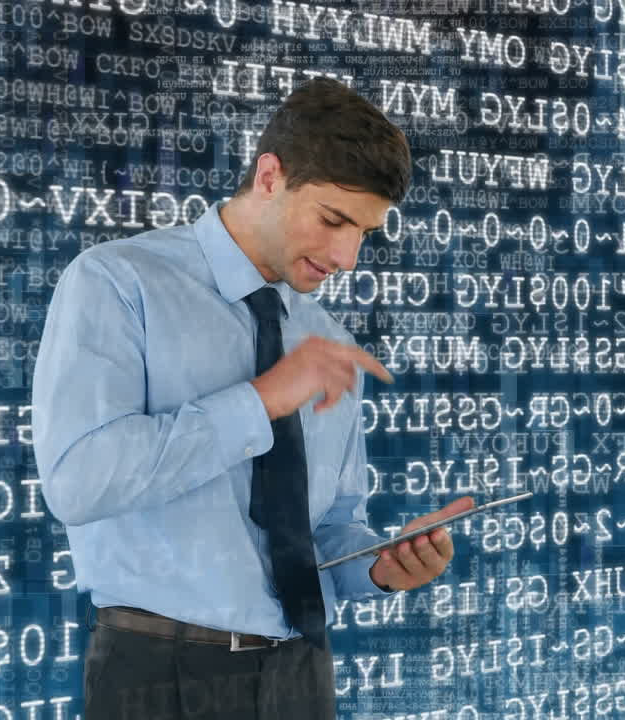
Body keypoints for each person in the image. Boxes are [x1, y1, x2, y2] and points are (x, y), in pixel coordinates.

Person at [31, 77, 473, 720]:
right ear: (269, 176)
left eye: (365, 232)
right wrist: (262, 399)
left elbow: (329, 526)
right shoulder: (118, 281)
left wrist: (380, 568)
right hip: (161, 675)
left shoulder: (329, 340)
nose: (347, 256)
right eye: (333, 220)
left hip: (302, 675)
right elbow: (79, 482)